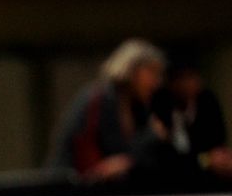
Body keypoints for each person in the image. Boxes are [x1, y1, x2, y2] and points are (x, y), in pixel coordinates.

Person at [47, 38, 166, 183]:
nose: (156, 82)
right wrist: (151, 136)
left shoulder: (139, 108)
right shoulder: (98, 99)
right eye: (152, 72)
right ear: (131, 68)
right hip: (75, 186)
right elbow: (77, 148)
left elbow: (128, 157)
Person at [151, 51, 232, 186]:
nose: (188, 84)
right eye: (182, 78)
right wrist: (204, 160)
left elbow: (217, 143)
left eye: (192, 77)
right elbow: (166, 158)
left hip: (208, 177)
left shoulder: (207, 102)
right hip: (169, 178)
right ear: (171, 82)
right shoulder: (159, 104)